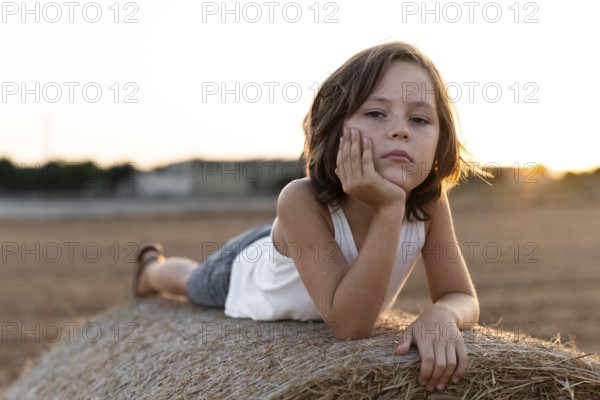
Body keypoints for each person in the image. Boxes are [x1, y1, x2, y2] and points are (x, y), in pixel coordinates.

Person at [134, 41, 479, 394]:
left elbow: (460, 295)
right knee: (191, 282)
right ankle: (150, 270)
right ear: (335, 127)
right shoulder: (301, 198)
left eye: (419, 119)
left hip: (297, 241)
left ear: (440, 142)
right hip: (249, 266)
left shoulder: (429, 203)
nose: (400, 130)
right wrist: (390, 208)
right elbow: (351, 325)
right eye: (376, 113)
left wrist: (442, 315)